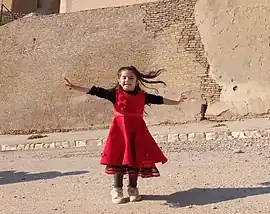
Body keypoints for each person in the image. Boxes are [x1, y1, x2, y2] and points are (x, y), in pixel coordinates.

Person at [64, 66, 184, 204]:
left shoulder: (142, 96)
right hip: (120, 134)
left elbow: (160, 100)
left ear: (136, 81)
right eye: (124, 77)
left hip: (137, 133)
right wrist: (74, 87)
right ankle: (117, 190)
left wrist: (177, 102)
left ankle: (133, 189)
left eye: (131, 78)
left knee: (135, 161)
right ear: (119, 80)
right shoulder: (114, 94)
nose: (128, 80)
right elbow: (94, 91)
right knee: (118, 162)